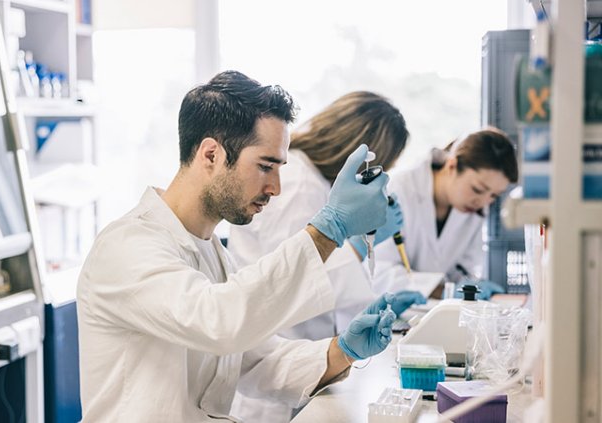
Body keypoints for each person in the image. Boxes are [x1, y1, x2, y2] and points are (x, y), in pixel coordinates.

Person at [76, 70, 398, 422]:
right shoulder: (128, 247)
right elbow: (218, 321)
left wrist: (343, 351)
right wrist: (329, 228)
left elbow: (258, 359)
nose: (275, 187)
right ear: (211, 155)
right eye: (265, 166)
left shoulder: (212, 253)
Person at [227, 91, 426, 422]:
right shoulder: (298, 183)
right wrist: (361, 244)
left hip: (296, 358)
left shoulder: (312, 179)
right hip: (270, 369)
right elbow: (301, 276)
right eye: (380, 166)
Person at [373, 128, 518, 299]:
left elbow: (464, 269)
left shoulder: (474, 208)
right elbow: (380, 272)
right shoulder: (398, 190)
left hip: (436, 313)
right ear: (452, 166)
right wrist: (444, 291)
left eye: (494, 195)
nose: (483, 202)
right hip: (389, 311)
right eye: (477, 189)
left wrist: (468, 287)